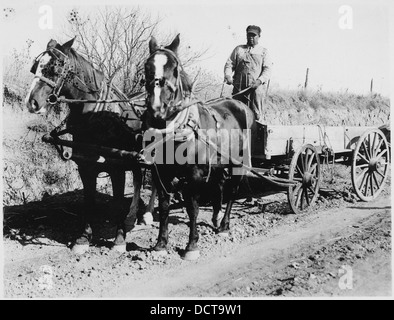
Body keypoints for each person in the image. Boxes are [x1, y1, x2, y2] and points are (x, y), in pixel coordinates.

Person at [224, 25, 272, 120]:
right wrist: (228, 76)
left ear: (259, 36)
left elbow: (268, 69)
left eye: (254, 35)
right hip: (239, 89)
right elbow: (229, 64)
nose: (251, 37)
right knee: (236, 115)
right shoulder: (239, 49)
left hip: (255, 89)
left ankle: (257, 130)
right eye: (249, 35)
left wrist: (259, 81)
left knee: (256, 115)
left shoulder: (263, 51)